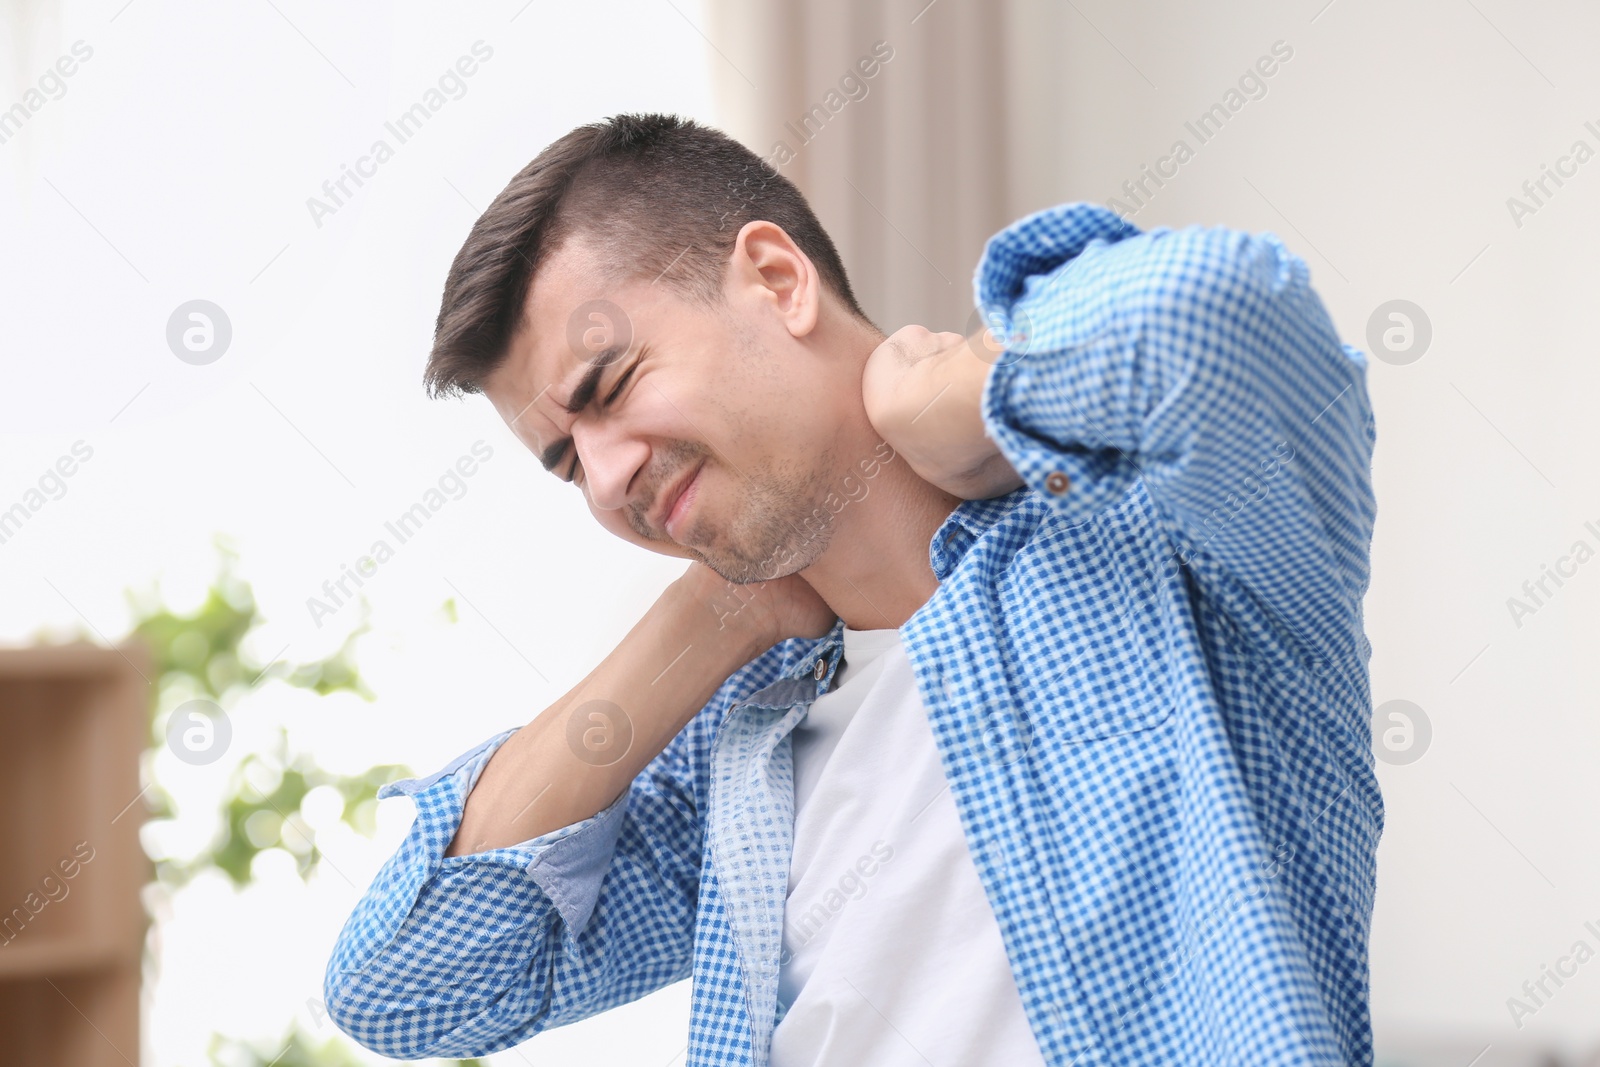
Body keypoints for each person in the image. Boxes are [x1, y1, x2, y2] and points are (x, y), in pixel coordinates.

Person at [323, 112, 1381, 1066]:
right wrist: (710, 616)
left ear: (778, 281)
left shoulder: (1175, 552)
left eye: (609, 388)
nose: (603, 480)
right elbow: (406, 987)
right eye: (564, 460)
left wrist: (964, 397)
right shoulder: (741, 760)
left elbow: (1224, 310)